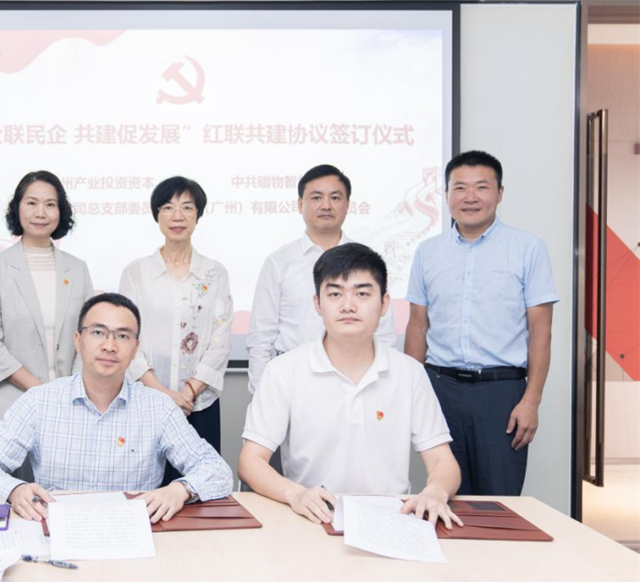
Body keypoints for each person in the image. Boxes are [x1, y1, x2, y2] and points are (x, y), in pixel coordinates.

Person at [238, 243, 463, 529]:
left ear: (384, 304)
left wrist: (435, 492)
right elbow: (250, 461)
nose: (348, 305)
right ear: (317, 304)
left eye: (362, 293)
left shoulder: (410, 373)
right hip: (312, 518)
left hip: (390, 522)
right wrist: (296, 494)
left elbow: (443, 462)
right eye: (335, 294)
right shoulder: (283, 371)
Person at [0, 293, 233, 524]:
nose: (109, 346)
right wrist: (13, 489)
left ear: (136, 348)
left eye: (122, 336)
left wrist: (181, 489)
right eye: (98, 332)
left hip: (133, 535)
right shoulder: (39, 401)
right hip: (58, 532)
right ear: (78, 340)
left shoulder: (158, 408)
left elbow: (217, 470)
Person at [404, 150, 558, 496]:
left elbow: (541, 332)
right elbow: (417, 326)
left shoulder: (528, 248)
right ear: (446, 195)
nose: (470, 197)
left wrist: (531, 400)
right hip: (439, 389)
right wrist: (410, 393)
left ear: (499, 193)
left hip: (500, 394)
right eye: (460, 188)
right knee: (444, 496)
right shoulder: (428, 252)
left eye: (482, 187)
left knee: (499, 500)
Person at [0, 171, 94, 481]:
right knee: (13, 499)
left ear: (61, 211)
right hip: (10, 407)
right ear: (16, 209)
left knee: (65, 499)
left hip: (71, 408)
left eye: (50, 204)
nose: (41, 212)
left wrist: (70, 392)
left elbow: (89, 338)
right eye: (32, 203)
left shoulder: (77, 269)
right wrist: (43, 392)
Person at [119, 176, 232, 486]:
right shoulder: (136, 272)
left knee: (199, 489)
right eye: (168, 207)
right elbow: (126, 337)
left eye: (187, 207)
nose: (177, 216)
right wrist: (160, 392)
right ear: (157, 215)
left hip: (198, 404)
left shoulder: (215, 273)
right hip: (146, 400)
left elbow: (221, 339)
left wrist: (188, 393)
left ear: (198, 215)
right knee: (145, 489)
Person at [248, 164, 397, 398]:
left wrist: (383, 389)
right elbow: (261, 337)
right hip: (293, 381)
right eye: (316, 197)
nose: (326, 205)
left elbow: (384, 333)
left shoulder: (367, 261)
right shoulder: (279, 262)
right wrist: (262, 395)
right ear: (300, 205)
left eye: (335, 197)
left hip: (357, 381)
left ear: (347, 204)